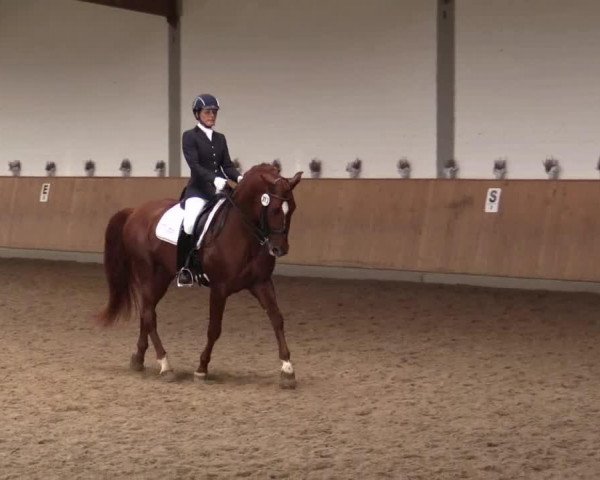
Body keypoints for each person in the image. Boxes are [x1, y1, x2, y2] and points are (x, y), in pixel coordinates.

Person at [177, 93, 242, 286]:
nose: (211, 115)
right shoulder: (189, 136)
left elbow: (227, 166)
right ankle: (185, 268)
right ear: (197, 114)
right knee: (189, 224)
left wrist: (239, 178)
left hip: (219, 192)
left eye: (214, 112)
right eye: (207, 112)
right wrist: (214, 179)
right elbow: (195, 166)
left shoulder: (220, 138)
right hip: (198, 191)